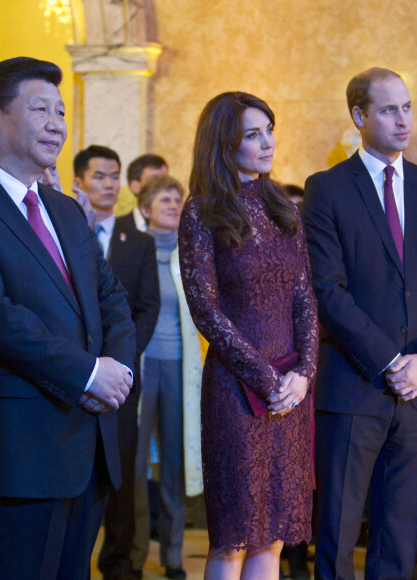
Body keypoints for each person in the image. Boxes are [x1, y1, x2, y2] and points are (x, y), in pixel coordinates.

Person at [0, 56, 136, 580]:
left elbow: (112, 301)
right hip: (15, 450)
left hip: (87, 442)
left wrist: (115, 374)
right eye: (41, 109)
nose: (57, 124)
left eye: (61, 111)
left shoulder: (63, 209)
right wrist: (86, 374)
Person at [303, 67, 417, 579]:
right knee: (338, 530)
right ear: (359, 116)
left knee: (397, 535)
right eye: (389, 109)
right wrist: (390, 361)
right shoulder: (326, 188)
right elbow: (328, 291)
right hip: (355, 384)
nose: (403, 119)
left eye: (407, 107)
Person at [178, 92, 318, 580]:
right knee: (232, 540)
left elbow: (304, 298)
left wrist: (303, 373)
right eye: (253, 134)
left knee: (272, 537)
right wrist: (266, 378)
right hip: (237, 391)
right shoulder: (201, 211)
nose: (267, 143)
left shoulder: (284, 208)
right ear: (224, 141)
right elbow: (206, 310)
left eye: (269, 130)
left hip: (291, 393)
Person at [73, 144, 160, 580]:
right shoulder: (64, 230)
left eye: (113, 176)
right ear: (78, 183)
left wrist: (122, 362)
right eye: (99, 176)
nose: (108, 184)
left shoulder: (138, 240)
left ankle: (119, 561)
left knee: (123, 467)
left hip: (124, 377)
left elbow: (147, 307)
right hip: (73, 372)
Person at [132, 174, 203, 580]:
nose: (174, 204)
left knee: (176, 462)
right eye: (164, 199)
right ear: (144, 208)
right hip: (142, 366)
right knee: (137, 463)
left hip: (181, 367)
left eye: (178, 199)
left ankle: (173, 555)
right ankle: (136, 552)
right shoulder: (132, 250)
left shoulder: (191, 252)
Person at [118, 154, 168, 232]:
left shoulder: (178, 228)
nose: (162, 187)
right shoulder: (117, 228)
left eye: (165, 180)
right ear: (135, 186)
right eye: (154, 180)